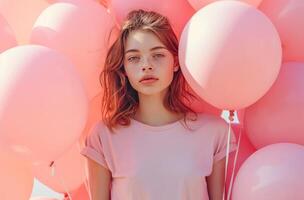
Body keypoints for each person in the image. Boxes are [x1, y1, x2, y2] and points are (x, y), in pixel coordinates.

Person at [80, 9, 237, 200]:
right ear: (125, 69)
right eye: (134, 58)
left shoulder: (215, 133)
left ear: (176, 62)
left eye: (158, 55)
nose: (146, 65)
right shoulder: (103, 137)